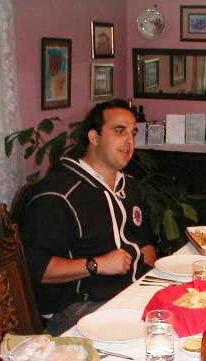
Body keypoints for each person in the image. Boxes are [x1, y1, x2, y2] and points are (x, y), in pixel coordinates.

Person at [21, 99, 157, 335]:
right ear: (94, 137)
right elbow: (36, 267)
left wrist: (150, 282)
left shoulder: (129, 185)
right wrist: (97, 265)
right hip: (77, 307)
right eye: (119, 131)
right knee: (153, 337)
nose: (129, 141)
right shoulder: (57, 194)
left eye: (133, 133)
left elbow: (145, 241)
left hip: (129, 293)